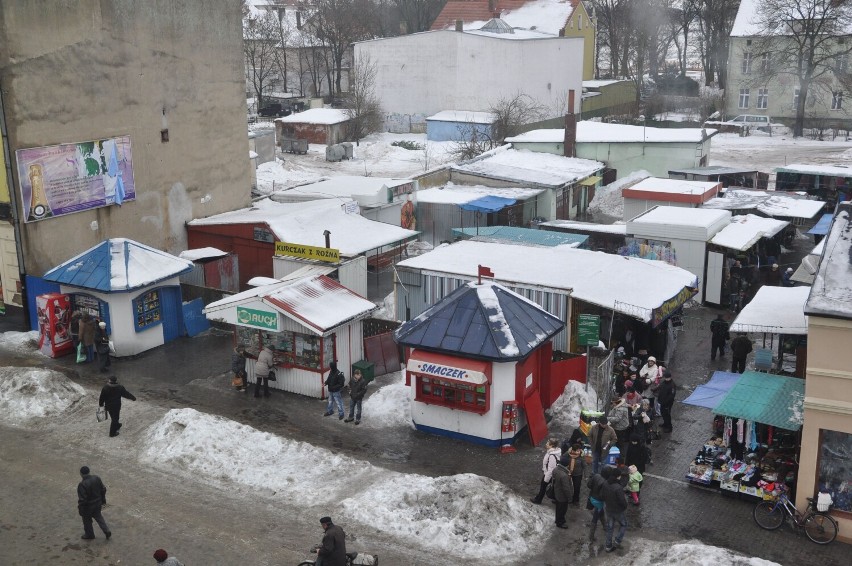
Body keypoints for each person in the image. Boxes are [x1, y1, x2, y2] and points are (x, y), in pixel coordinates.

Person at [77, 466, 110, 540]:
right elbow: (103, 489)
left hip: (88, 507)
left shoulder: (82, 484)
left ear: (81, 474)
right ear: (89, 472)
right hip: (98, 503)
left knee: (87, 520)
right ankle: (106, 530)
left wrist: (81, 509)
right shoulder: (96, 478)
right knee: (99, 517)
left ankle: (89, 534)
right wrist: (103, 499)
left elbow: (82, 500)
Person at [603, 467, 628, 552]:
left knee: (610, 527)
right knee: (624, 524)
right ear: (618, 476)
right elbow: (622, 501)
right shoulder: (618, 487)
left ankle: (608, 546)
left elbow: (603, 495)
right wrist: (624, 507)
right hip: (618, 511)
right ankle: (617, 541)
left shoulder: (605, 483)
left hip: (608, 509)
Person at [530, 438, 561, 504]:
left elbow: (551, 469)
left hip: (549, 475)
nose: (546, 444)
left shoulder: (552, 455)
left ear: (552, 446)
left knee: (543, 487)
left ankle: (538, 500)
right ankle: (556, 499)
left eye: (548, 443)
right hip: (552, 474)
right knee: (554, 487)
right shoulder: (553, 452)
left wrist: (546, 479)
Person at [587, 466, 610, 541]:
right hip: (599, 502)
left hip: (592, 498)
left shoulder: (596, 476)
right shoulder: (606, 483)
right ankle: (591, 536)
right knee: (595, 518)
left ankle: (605, 526)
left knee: (601, 512)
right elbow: (603, 496)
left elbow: (589, 485)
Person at [552, 453, 573, 529]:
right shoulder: (564, 475)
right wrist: (570, 498)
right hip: (562, 496)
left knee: (558, 508)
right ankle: (560, 522)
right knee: (562, 509)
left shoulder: (555, 469)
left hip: (557, 492)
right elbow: (566, 488)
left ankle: (558, 520)